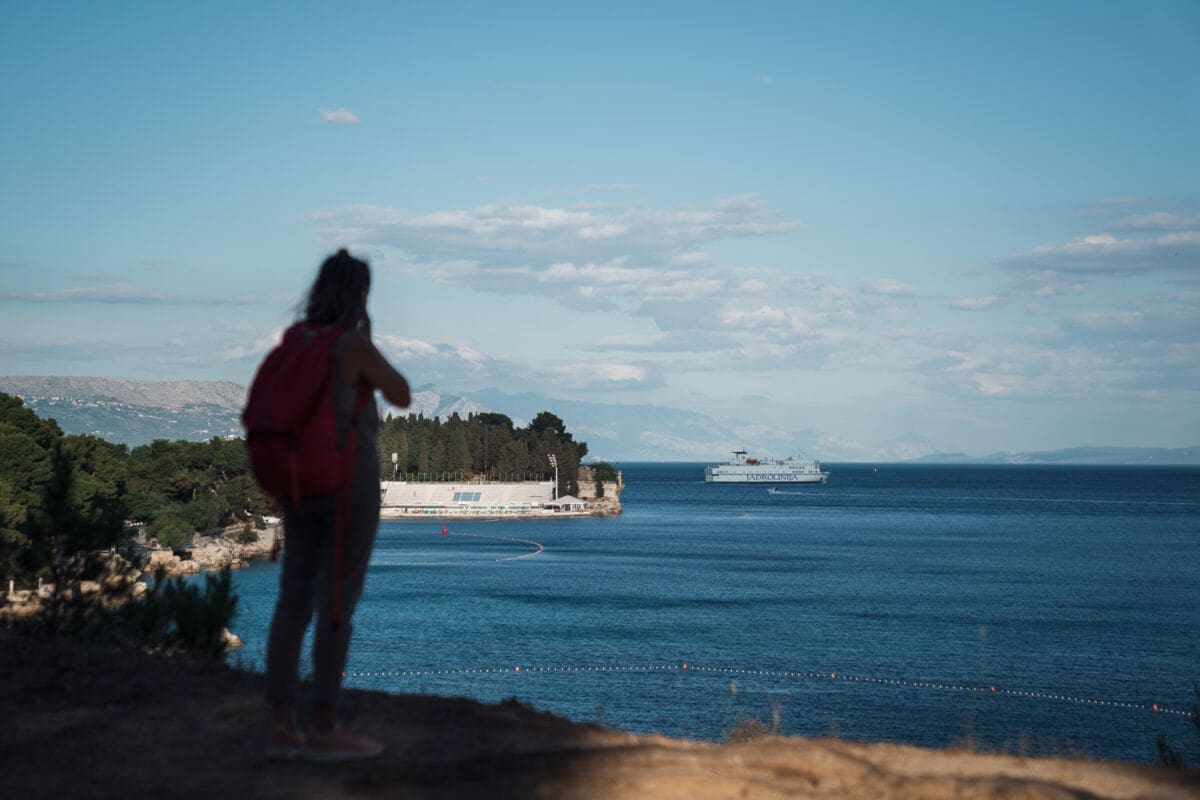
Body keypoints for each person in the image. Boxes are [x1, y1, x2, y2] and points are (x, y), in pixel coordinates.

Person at [264, 249, 411, 762]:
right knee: (336, 604)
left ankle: (281, 721)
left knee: (292, 600)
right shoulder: (352, 345)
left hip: (298, 481)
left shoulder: (295, 340)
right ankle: (324, 723)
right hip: (348, 483)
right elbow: (401, 393)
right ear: (360, 295)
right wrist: (367, 336)